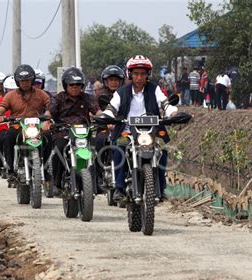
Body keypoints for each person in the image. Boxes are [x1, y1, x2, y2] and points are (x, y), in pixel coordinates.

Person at [102, 55, 177, 201]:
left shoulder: (154, 89)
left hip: (151, 132)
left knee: (162, 151)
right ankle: (119, 188)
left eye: (143, 73)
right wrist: (107, 116)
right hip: (127, 131)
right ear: (130, 74)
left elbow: (165, 103)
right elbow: (111, 107)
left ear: (147, 74)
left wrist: (172, 112)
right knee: (119, 148)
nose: (139, 77)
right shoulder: (121, 92)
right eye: (136, 73)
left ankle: (161, 188)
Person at [44, 67, 102, 196]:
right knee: (59, 149)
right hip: (63, 131)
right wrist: (46, 121)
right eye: (72, 85)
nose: (75, 87)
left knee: (95, 149)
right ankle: (56, 183)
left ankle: (97, 181)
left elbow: (97, 111)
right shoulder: (58, 98)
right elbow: (49, 111)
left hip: (84, 132)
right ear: (66, 85)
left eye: (78, 85)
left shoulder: (87, 98)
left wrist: (105, 119)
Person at [0, 64, 51, 181]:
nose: (25, 83)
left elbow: (50, 106)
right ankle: (10, 169)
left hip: (37, 126)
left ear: (32, 80)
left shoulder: (41, 94)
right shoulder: (10, 95)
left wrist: (47, 119)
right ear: (17, 81)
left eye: (27, 80)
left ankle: (46, 168)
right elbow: (1, 108)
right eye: (22, 81)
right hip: (18, 126)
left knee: (49, 137)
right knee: (7, 137)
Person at [95, 65, 126, 192]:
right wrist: (103, 118)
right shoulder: (100, 95)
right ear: (106, 82)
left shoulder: (126, 93)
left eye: (116, 80)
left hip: (122, 127)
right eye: (111, 80)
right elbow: (94, 110)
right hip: (105, 127)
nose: (113, 82)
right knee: (100, 140)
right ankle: (99, 173)